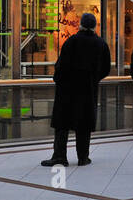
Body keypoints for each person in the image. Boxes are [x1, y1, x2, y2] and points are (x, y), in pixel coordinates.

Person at [43, 12, 111, 167]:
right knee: (84, 125)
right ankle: (83, 157)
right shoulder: (101, 44)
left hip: (67, 90)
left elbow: (61, 67)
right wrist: (93, 79)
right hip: (88, 90)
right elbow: (106, 68)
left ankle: (60, 156)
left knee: (62, 125)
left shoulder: (71, 41)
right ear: (94, 26)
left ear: (80, 25)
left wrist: (59, 80)